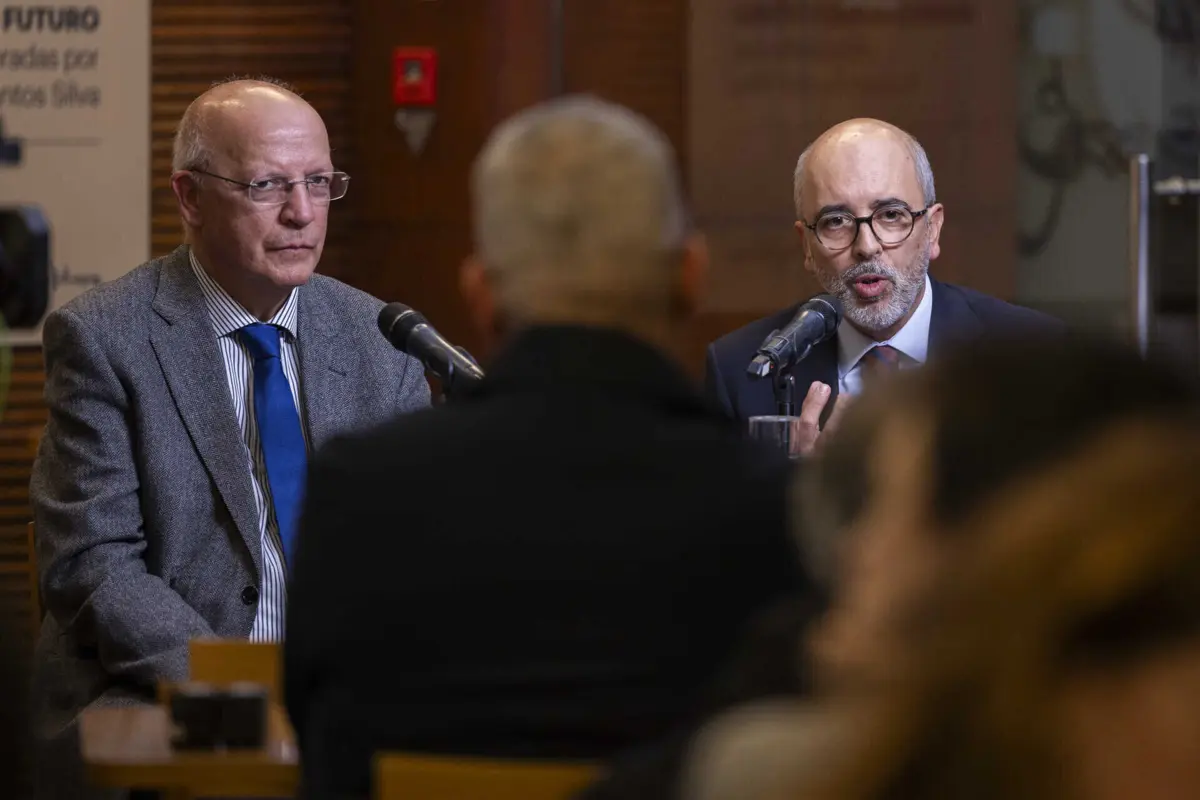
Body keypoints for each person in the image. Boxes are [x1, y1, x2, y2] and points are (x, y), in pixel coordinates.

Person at [284, 94, 811, 800]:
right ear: (691, 275)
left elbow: (324, 757)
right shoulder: (775, 505)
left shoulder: (361, 488)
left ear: (480, 293)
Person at [28, 76, 430, 799]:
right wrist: (236, 690)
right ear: (190, 197)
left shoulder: (382, 342)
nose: (302, 212)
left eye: (318, 182)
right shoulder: (104, 339)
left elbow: (414, 555)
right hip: (157, 683)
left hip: (343, 691)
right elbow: (93, 566)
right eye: (267, 185)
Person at [704, 118, 1061, 450]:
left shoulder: (1034, 354)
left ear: (933, 229)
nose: (866, 246)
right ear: (807, 246)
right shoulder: (740, 374)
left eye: (891, 215)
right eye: (836, 221)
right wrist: (799, 484)